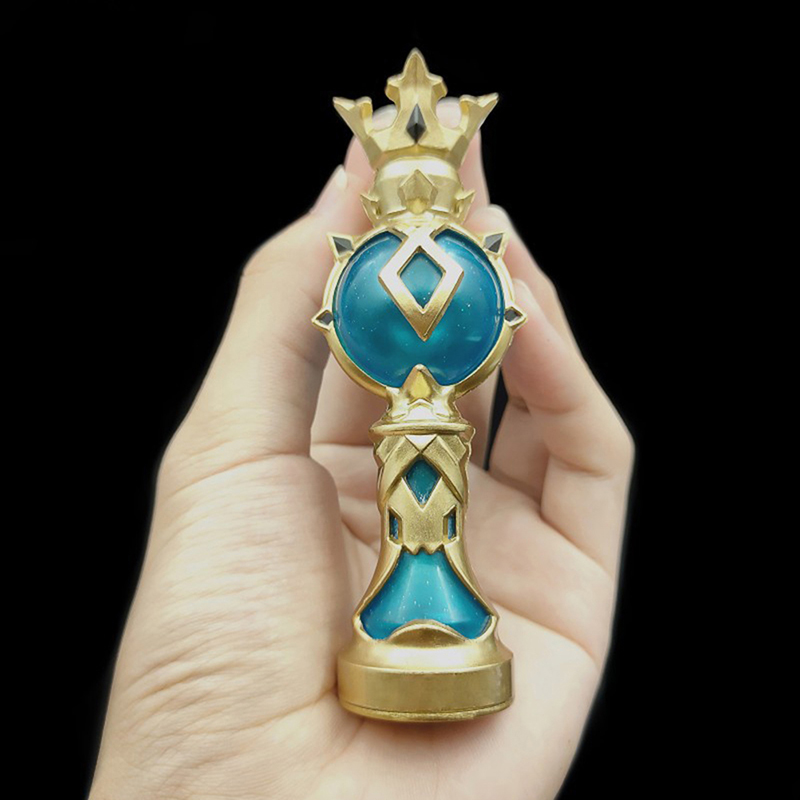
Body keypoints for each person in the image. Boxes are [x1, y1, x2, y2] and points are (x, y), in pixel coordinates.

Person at [88, 116, 634, 800]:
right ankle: (427, 609)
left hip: (423, 421)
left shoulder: (413, 272)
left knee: (429, 517)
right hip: (415, 422)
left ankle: (421, 608)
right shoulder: (410, 272)